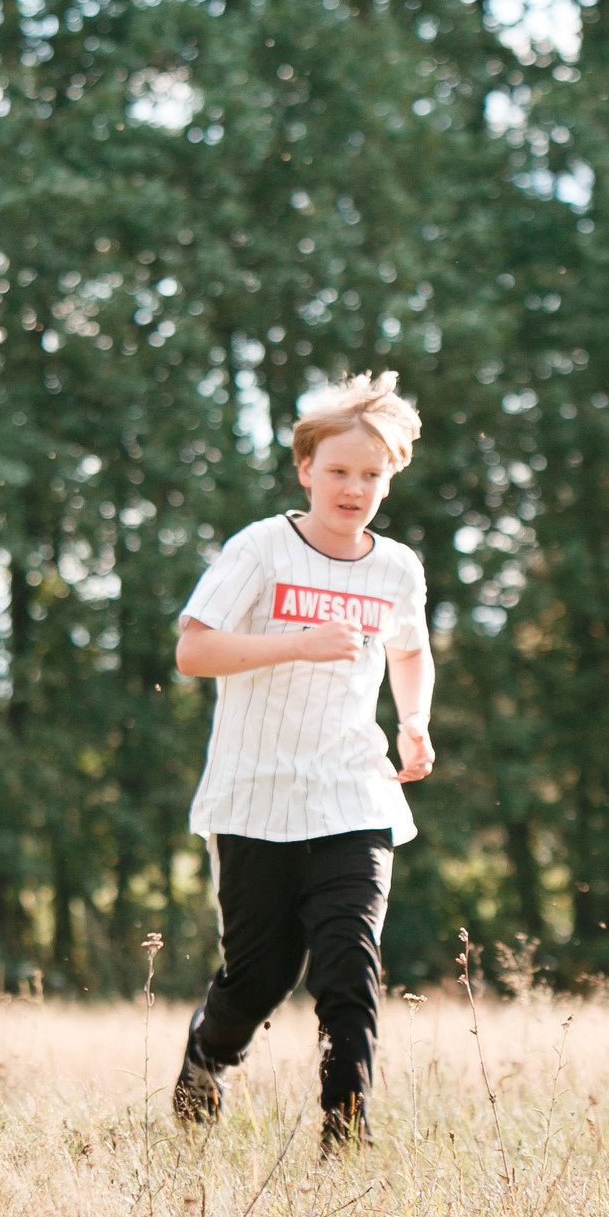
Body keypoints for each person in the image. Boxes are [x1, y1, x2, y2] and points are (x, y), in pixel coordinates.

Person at [167, 373, 435, 1151]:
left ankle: (345, 1135)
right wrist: (299, 644)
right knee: (259, 977)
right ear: (306, 469)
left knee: (350, 966)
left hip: (355, 794)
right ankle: (208, 1056)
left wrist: (413, 721)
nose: (354, 488)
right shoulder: (261, 548)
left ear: (391, 477)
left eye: (372, 474)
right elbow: (193, 651)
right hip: (255, 799)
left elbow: (410, 650)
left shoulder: (397, 568)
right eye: (339, 470)